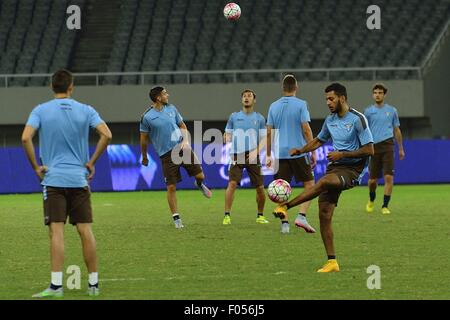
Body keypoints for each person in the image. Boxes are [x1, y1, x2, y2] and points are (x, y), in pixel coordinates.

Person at [22, 69, 112, 297]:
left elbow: (25, 137)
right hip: (78, 179)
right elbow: (107, 135)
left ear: (53, 87)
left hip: (53, 180)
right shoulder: (86, 110)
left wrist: (36, 167)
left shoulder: (41, 110)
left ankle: (56, 286)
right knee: (85, 230)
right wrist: (91, 162)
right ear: (71, 86)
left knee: (57, 232)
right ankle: (93, 284)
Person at [273, 83, 374, 272]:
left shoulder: (358, 119)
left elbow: (370, 149)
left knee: (325, 181)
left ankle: (285, 206)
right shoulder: (330, 120)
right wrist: (301, 150)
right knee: (324, 214)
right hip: (335, 167)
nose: (328, 102)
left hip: (353, 170)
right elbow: (319, 140)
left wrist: (342, 155)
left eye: (331, 98)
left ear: (342, 98)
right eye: (326, 99)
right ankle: (332, 262)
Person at [140, 86, 212, 229]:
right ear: (158, 98)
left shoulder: (172, 109)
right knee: (171, 187)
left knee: (200, 176)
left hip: (182, 148)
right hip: (166, 155)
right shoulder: (146, 117)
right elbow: (143, 139)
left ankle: (198, 184)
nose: (168, 95)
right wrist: (144, 156)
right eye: (165, 93)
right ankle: (177, 219)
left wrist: (185, 141)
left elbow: (182, 125)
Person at [266, 74, 317, 234]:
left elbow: (268, 133)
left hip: (280, 153)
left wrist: (268, 154)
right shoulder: (301, 104)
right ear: (296, 87)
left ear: (283, 88)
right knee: (310, 185)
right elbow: (306, 129)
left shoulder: (273, 106)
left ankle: (285, 225)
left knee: (281, 189)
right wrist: (312, 150)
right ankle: (301, 216)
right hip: (298, 152)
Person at [223, 89, 268, 225]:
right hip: (237, 154)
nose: (246, 98)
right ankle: (226, 215)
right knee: (232, 184)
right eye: (244, 96)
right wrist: (227, 137)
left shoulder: (259, 118)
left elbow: (264, 138)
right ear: (241, 100)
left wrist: (257, 152)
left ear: (254, 100)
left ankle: (260, 215)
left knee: (260, 187)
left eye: (249, 96)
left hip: (253, 155)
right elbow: (227, 133)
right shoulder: (234, 117)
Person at [364, 83, 405, 214]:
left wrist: (400, 148)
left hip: (388, 145)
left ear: (384, 95)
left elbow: (397, 130)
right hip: (374, 147)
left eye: (380, 93)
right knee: (372, 181)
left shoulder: (392, 110)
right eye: (375, 92)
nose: (377, 95)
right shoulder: (368, 112)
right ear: (372, 95)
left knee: (389, 177)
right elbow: (364, 131)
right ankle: (371, 199)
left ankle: (385, 206)